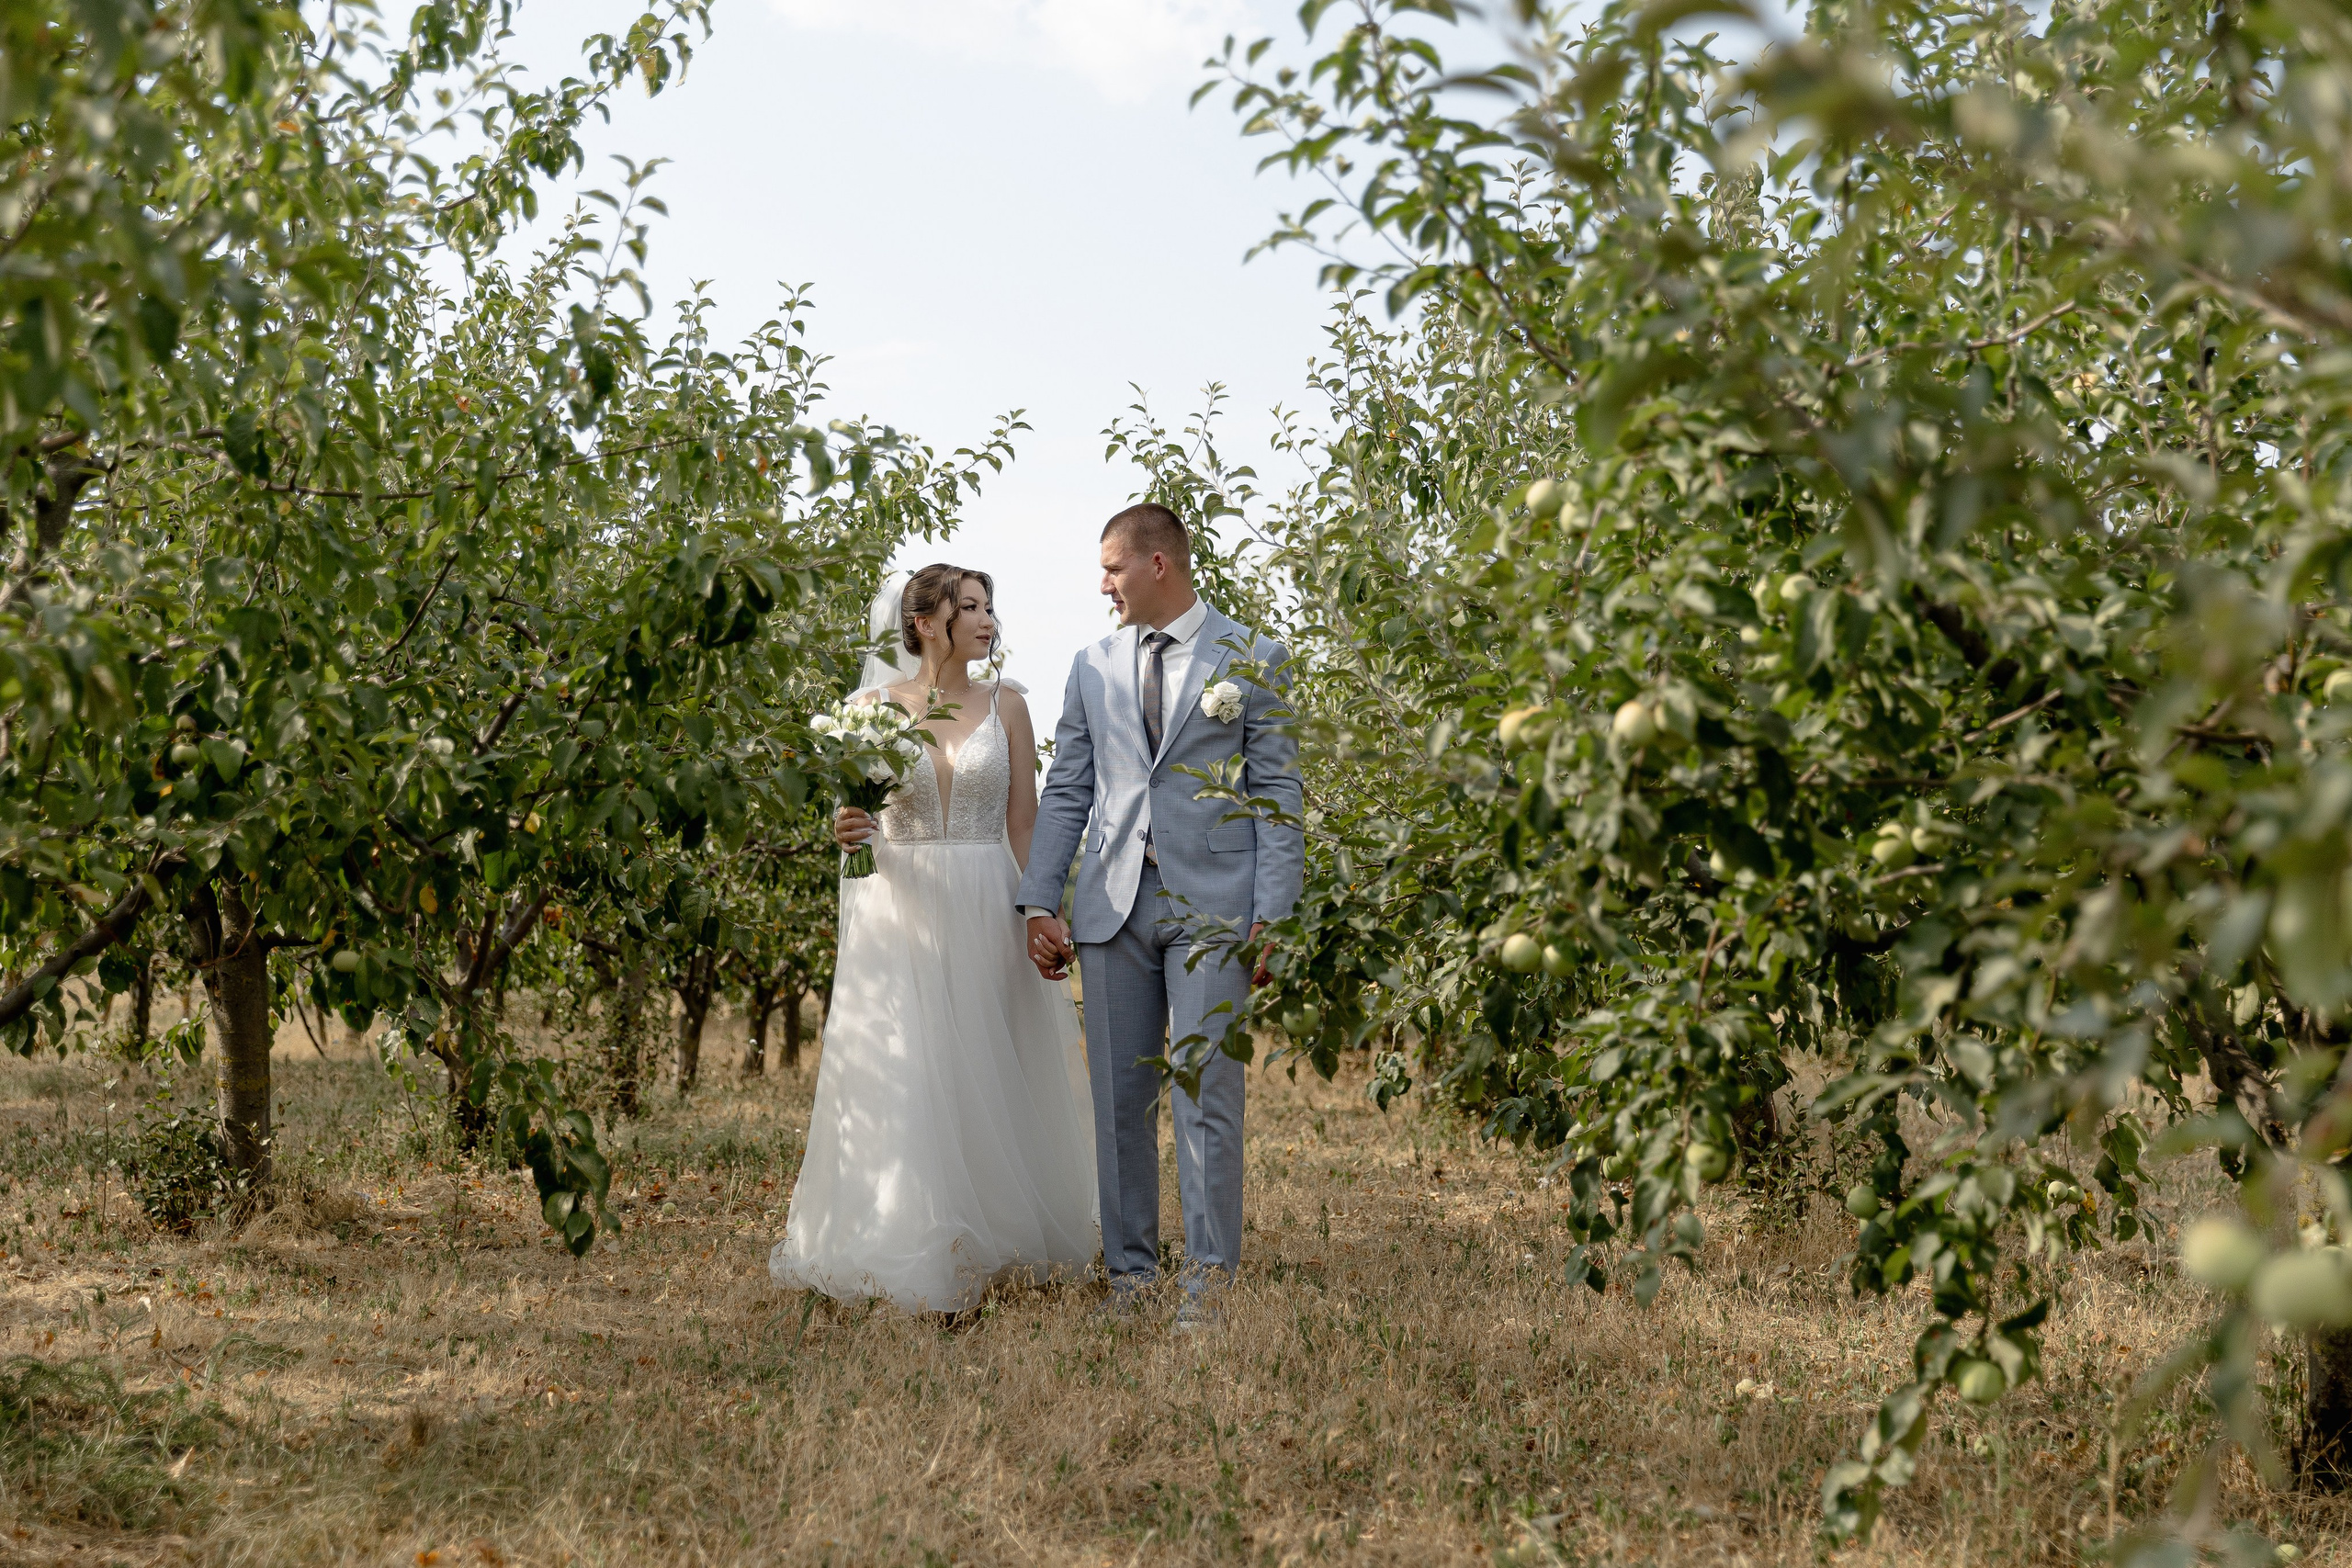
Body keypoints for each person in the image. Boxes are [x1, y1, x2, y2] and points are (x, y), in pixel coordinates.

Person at [769, 564, 1098, 1314]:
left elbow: (1025, 822)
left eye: (990, 606)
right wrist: (842, 828)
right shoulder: (868, 709)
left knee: (988, 1059)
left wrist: (1040, 908)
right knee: (913, 1065)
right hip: (901, 905)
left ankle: (1000, 1234)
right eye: (971, 607)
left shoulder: (1008, 705)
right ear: (924, 622)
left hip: (989, 899)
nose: (988, 620)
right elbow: (853, 823)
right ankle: (911, 1237)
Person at [1017, 503, 1305, 1330]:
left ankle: (1210, 1282)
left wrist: (1273, 913)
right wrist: (1041, 898)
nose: (1100, 583)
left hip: (1216, 907)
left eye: (1111, 567)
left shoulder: (1254, 657)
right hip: (1111, 903)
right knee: (1119, 1099)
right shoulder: (1090, 664)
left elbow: (1279, 795)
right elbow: (1069, 787)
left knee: (1208, 1090)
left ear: (1157, 566)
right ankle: (1130, 1278)